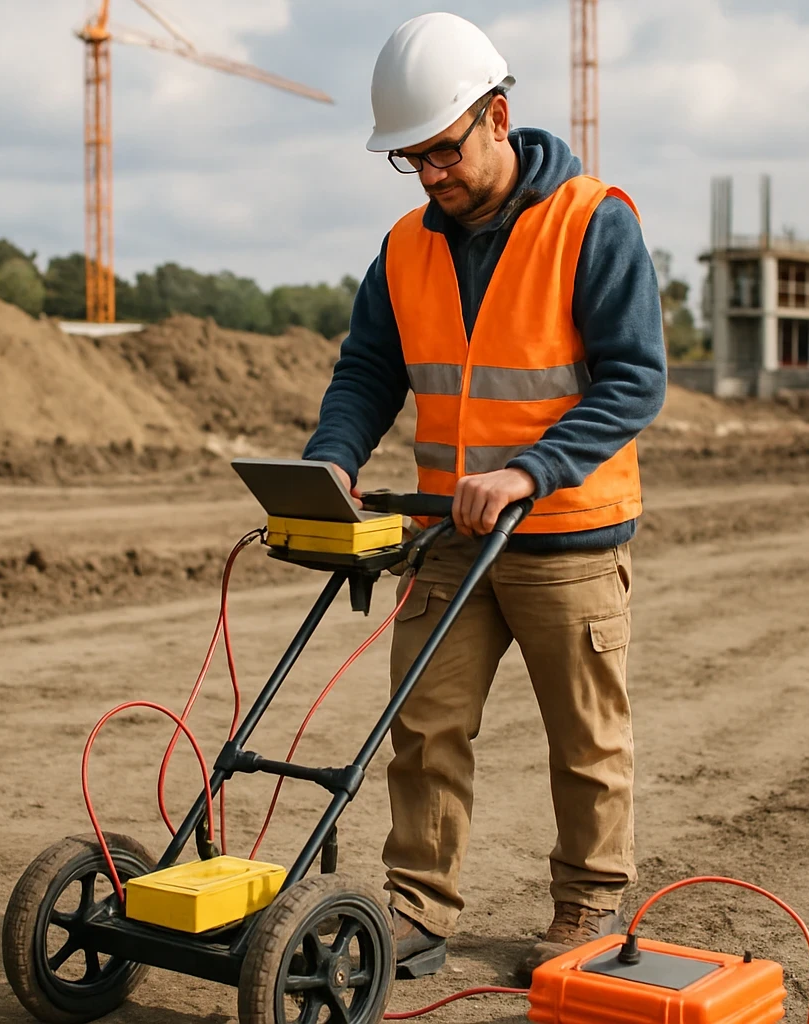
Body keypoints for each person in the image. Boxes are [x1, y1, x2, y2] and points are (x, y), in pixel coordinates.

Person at [302, 12, 667, 982]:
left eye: (442, 151)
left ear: (497, 118)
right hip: (451, 536)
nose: (430, 174)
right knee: (421, 726)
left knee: (584, 738)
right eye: (410, 160)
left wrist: (527, 470)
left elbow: (634, 380)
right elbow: (366, 372)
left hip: (567, 533)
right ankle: (415, 910)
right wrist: (333, 457)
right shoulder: (405, 247)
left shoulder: (592, 222)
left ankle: (585, 906)